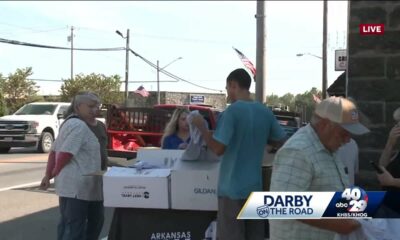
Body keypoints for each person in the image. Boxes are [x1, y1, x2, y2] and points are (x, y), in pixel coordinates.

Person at [192, 68, 287, 240]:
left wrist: (202, 128)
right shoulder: (265, 112)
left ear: (233, 85)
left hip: (231, 190)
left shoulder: (231, 112)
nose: (227, 92)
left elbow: (218, 148)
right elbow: (281, 141)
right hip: (255, 188)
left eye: (227, 88)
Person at [269, 96, 370, 240]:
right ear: (324, 124)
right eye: (344, 133)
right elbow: (283, 204)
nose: (348, 140)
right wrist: (338, 224)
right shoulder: (298, 151)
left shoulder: (328, 147)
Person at [40, 91, 108, 240]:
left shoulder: (100, 126)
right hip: (76, 187)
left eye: (97, 106)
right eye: (90, 106)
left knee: (95, 222)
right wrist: (50, 174)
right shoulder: (76, 124)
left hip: (94, 184)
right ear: (78, 106)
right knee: (73, 226)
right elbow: (61, 153)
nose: (95, 109)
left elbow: (55, 150)